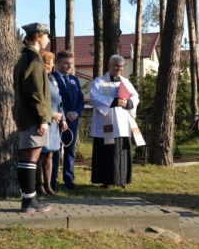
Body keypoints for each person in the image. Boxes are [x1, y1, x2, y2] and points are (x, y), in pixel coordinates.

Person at [13, 22, 53, 213]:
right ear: (38, 36)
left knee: (26, 159)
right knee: (30, 158)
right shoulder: (34, 60)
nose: (48, 39)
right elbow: (36, 92)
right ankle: (29, 200)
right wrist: (43, 119)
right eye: (46, 35)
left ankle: (28, 198)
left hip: (25, 116)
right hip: (33, 117)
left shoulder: (25, 57)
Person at [90, 55, 142, 188]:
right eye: (116, 66)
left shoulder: (125, 82)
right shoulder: (99, 81)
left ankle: (122, 180)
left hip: (123, 124)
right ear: (109, 65)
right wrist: (114, 101)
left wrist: (128, 102)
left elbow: (135, 96)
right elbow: (94, 98)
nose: (119, 68)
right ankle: (106, 181)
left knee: (122, 152)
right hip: (106, 124)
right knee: (106, 153)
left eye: (121, 66)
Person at [51, 50, 84, 191]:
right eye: (66, 63)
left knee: (70, 150)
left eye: (71, 63)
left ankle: (69, 179)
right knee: (56, 150)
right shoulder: (51, 78)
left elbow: (80, 99)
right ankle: (53, 179)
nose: (69, 66)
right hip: (57, 120)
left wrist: (75, 113)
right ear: (58, 63)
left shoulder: (74, 79)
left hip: (73, 120)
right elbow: (53, 101)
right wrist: (65, 114)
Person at [37, 51, 67, 195]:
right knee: (40, 155)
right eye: (49, 63)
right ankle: (38, 186)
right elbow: (39, 102)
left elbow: (59, 100)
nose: (52, 65)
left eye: (52, 62)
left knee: (49, 154)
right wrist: (52, 114)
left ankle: (48, 185)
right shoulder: (39, 80)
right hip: (43, 121)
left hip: (55, 123)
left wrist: (63, 119)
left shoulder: (52, 79)